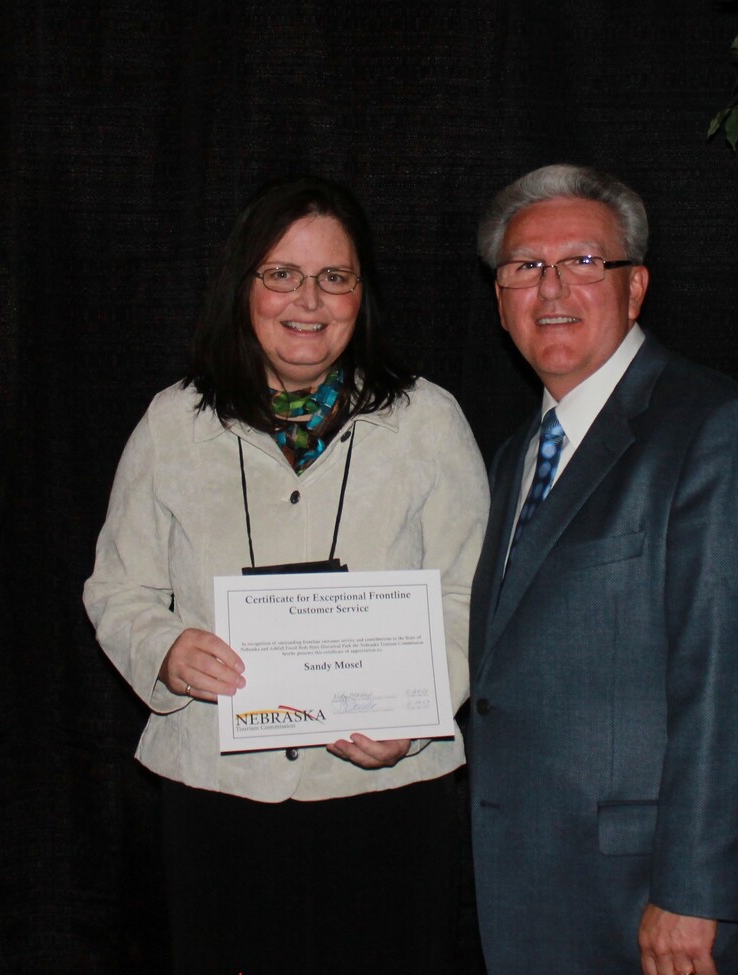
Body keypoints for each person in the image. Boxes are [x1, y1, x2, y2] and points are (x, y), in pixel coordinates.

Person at [83, 175, 488, 973]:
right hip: (214, 795)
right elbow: (117, 587)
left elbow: (469, 593)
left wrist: (417, 710)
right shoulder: (175, 421)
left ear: (361, 293)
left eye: (335, 276)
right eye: (282, 273)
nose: (310, 299)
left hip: (386, 796)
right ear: (244, 286)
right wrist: (164, 648)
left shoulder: (427, 421)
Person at [466, 164, 738, 975]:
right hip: (545, 886)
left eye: (586, 261)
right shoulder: (516, 456)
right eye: (525, 267)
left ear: (636, 290)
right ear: (498, 299)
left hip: (662, 903)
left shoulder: (715, 429)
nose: (552, 286)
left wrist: (696, 889)